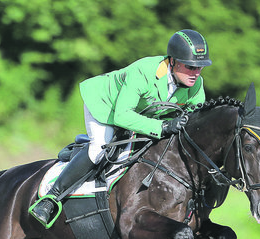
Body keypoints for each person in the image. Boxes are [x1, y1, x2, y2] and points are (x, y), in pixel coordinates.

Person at [29, 29, 212, 227]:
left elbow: (193, 121)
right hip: (105, 105)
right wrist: (163, 126)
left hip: (140, 115)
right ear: (173, 61)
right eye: (190, 66)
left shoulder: (196, 85)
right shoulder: (143, 71)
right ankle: (50, 199)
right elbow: (122, 115)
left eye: (200, 67)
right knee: (100, 148)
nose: (196, 73)